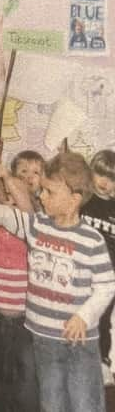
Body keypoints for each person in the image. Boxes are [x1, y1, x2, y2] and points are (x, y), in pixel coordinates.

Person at [0, 152, 115, 412]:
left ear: (74, 200)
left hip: (78, 342)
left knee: (84, 402)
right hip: (41, 337)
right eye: (42, 191)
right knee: (50, 400)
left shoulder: (91, 240)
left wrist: (84, 316)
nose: (41, 197)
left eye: (49, 192)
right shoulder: (37, 226)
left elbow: (107, 285)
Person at [0, 150, 39, 411]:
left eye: (18, 201)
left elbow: (26, 206)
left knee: (26, 376)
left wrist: (7, 176)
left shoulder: (33, 225)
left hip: (25, 319)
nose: (13, 207)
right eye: (8, 203)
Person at [81, 150, 115, 386]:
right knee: (80, 317)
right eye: (101, 174)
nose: (105, 182)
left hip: (108, 277)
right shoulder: (82, 199)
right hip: (81, 273)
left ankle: (102, 363)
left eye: (112, 177)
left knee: (103, 320)